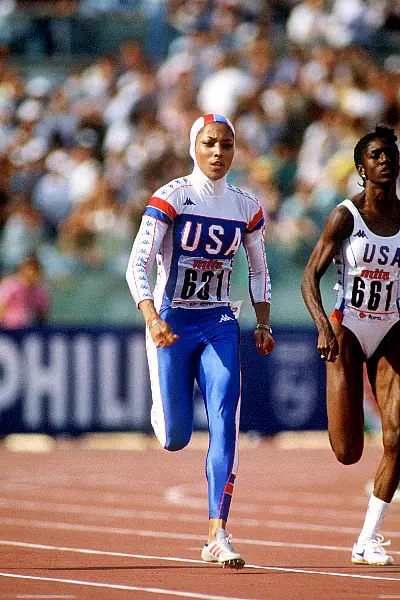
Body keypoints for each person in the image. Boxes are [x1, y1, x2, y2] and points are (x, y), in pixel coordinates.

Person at [126, 113, 274, 569]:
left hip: (219, 322)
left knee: (226, 420)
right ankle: (163, 407)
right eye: (210, 143)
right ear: (195, 146)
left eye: (226, 145)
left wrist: (263, 323)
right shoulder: (171, 197)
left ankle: (217, 533)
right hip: (171, 323)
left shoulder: (246, 206)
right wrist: (151, 318)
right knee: (174, 437)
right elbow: (137, 264)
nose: (217, 152)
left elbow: (259, 269)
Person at [301, 124, 400, 566]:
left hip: (393, 328)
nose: (385, 160)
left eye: (390, 154)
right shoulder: (346, 215)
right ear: (362, 168)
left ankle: (366, 539)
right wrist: (323, 325)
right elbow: (309, 277)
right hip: (348, 328)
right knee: (348, 452)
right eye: (376, 155)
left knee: (398, 436)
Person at [0, 254, 50, 328]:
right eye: (28, 269)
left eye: (34, 269)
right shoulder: (9, 285)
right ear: (22, 269)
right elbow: (1, 309)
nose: (31, 272)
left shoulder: (41, 290)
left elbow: (42, 314)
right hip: (9, 330)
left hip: (31, 330)